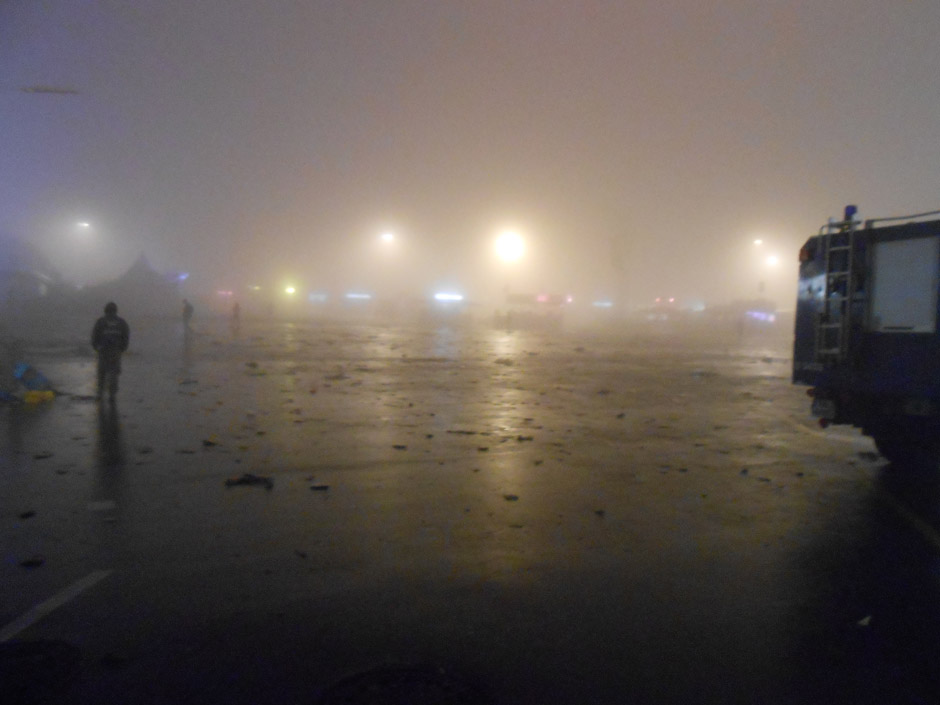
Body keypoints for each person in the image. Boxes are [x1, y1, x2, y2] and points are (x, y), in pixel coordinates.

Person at [91, 302, 130, 401]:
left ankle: (100, 393)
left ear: (105, 310)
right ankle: (112, 395)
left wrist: (97, 348)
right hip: (115, 352)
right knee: (114, 373)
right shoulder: (121, 322)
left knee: (102, 373)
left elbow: (94, 337)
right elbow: (126, 337)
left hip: (103, 351)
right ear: (116, 310)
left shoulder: (100, 321)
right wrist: (122, 349)